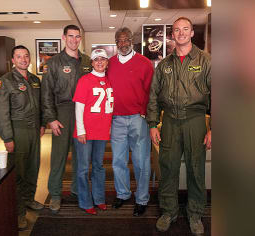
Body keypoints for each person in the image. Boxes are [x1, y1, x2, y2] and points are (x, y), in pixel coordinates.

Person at [146, 17, 211, 234]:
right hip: (170, 122)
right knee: (168, 168)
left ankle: (195, 214)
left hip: (195, 121)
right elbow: (153, 96)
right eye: (177, 30)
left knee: (196, 169)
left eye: (185, 29)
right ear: (172, 35)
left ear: (193, 33)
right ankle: (168, 211)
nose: (181, 33)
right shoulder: (164, 64)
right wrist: (153, 124)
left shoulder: (206, 61)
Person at [0, 45, 46, 230]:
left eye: (26, 56)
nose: (23, 59)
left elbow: (39, 105)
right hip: (17, 131)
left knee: (33, 168)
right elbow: (0, 113)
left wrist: (41, 124)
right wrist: (7, 138)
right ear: (12, 60)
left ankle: (29, 199)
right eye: (19, 56)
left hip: (34, 132)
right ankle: (19, 212)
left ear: (29, 59)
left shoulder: (34, 80)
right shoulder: (4, 81)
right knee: (18, 174)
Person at [41, 25, 92, 213]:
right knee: (59, 156)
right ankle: (55, 194)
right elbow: (46, 94)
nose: (74, 40)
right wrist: (51, 119)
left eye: (77, 36)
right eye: (70, 36)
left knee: (81, 156)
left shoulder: (88, 60)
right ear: (63, 37)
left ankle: (78, 190)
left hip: (84, 114)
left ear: (80, 38)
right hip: (62, 112)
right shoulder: (53, 62)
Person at [106, 27, 154, 216]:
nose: (123, 44)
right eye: (120, 40)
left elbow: (152, 93)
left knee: (141, 161)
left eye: (127, 40)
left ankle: (142, 198)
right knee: (118, 160)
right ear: (116, 42)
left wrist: (147, 115)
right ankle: (123, 193)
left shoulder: (145, 63)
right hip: (116, 119)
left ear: (132, 41)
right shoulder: (109, 64)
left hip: (138, 119)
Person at [73, 49, 113, 215]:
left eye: (102, 59)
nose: (99, 62)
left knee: (98, 166)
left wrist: (109, 126)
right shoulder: (85, 80)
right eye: (96, 59)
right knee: (83, 168)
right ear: (91, 63)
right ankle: (85, 201)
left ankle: (99, 199)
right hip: (85, 132)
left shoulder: (110, 81)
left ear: (107, 62)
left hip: (101, 132)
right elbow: (79, 107)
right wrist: (81, 130)